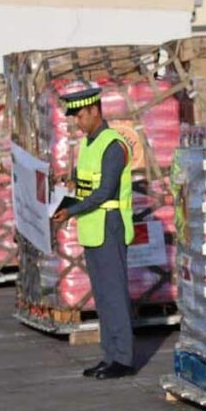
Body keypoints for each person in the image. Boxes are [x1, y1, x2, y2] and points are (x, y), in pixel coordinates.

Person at [52, 87, 136, 380]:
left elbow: (104, 192)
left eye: (80, 116)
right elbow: (85, 182)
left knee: (114, 293)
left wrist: (71, 211)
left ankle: (123, 358)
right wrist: (69, 185)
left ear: (95, 111)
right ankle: (109, 355)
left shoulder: (112, 145)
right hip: (92, 226)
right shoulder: (87, 144)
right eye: (74, 117)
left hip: (109, 225)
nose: (77, 121)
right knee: (101, 295)